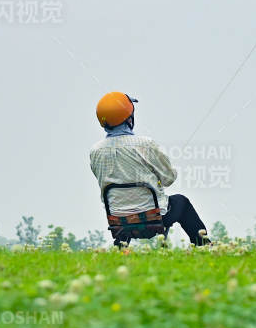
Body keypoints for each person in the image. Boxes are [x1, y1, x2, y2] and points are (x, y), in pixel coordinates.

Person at [89, 92, 210, 247]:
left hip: (118, 219)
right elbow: (168, 179)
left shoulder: (95, 151)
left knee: (124, 207)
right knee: (182, 202)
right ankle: (205, 246)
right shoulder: (145, 144)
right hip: (153, 216)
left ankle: (121, 245)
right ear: (129, 118)